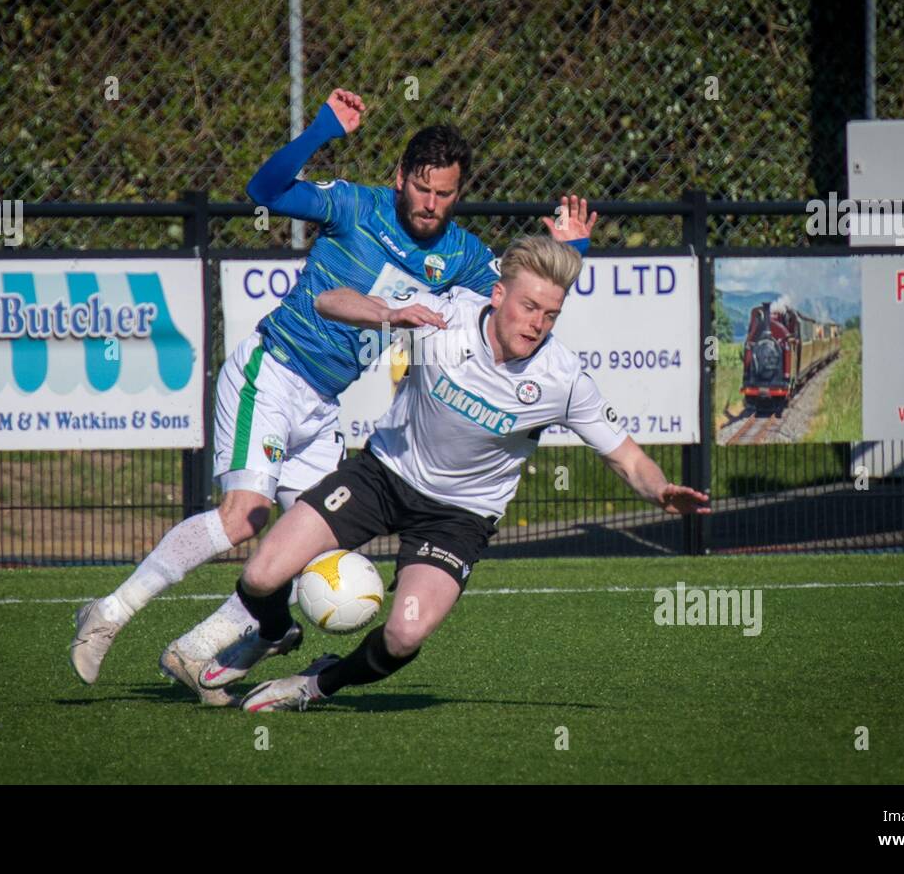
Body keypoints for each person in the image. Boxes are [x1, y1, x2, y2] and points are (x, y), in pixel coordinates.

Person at [71, 88, 590, 695]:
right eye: (420, 188)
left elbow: (528, 296)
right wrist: (321, 130)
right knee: (245, 518)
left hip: (323, 409)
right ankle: (109, 613)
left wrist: (571, 248)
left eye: (444, 193)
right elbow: (263, 192)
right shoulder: (352, 205)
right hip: (272, 372)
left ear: (458, 193)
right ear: (398, 178)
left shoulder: (465, 256)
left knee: (303, 553)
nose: (430, 203)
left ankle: (220, 646)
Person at [189, 235, 710, 712]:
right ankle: (275, 631)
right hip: (382, 475)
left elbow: (626, 457)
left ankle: (316, 683)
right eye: (529, 307)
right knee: (260, 576)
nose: (538, 324)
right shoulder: (443, 318)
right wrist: (388, 315)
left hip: (458, 517)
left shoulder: (561, 379)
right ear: (499, 295)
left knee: (403, 636)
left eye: (551, 315)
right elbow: (328, 302)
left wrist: (660, 488)